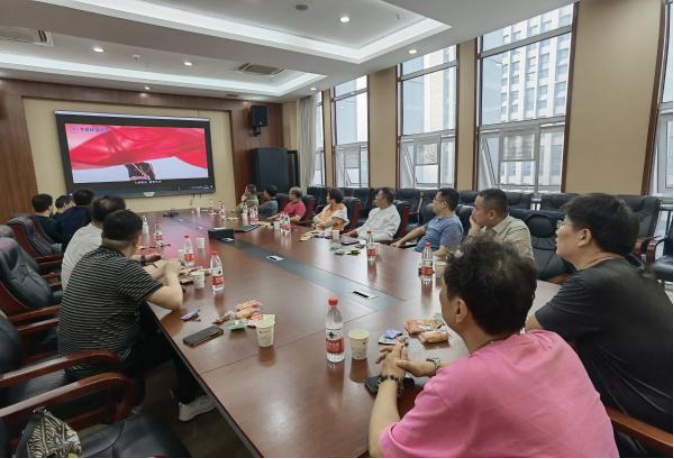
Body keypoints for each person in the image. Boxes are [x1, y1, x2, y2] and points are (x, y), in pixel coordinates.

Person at [369, 236, 619, 458]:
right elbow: (504, 370)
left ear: (459, 309)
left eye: (443, 289)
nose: (441, 295)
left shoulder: (461, 384)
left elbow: (382, 450)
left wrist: (390, 376)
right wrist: (432, 366)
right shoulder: (553, 343)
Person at [526, 194, 673, 457]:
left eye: (563, 224)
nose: (557, 232)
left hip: (636, 435)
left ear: (583, 236)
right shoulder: (634, 269)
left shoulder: (592, 282)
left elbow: (533, 330)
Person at [58, 210, 216, 422]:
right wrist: (170, 272)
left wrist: (161, 268)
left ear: (103, 234)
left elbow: (133, 278)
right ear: (137, 240)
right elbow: (175, 301)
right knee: (181, 336)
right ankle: (189, 401)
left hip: (75, 356)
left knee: (152, 319)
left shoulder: (92, 257)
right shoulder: (121, 268)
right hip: (102, 362)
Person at [61, 196, 127, 289]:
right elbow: (125, 275)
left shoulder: (82, 231)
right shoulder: (99, 243)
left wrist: (141, 258)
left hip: (77, 290)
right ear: (117, 219)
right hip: (87, 295)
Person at [391, 189, 463, 258]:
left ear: (444, 204)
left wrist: (420, 257)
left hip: (428, 261)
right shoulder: (438, 218)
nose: (433, 202)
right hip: (417, 255)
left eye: (435, 199)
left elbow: (443, 252)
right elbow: (420, 230)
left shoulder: (453, 225)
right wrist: (400, 241)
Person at [469, 189, 534, 261]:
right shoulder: (484, 228)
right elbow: (465, 256)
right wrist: (474, 231)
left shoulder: (517, 229)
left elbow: (501, 263)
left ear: (491, 215)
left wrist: (475, 233)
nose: (472, 212)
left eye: (476, 208)